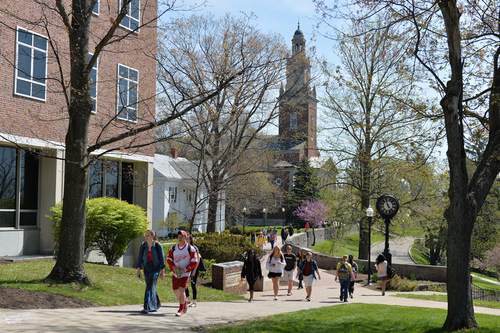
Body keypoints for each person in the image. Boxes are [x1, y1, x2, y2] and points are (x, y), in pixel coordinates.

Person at [167, 230, 198, 316]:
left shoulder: (190, 248)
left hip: (185, 273)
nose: (180, 239)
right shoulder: (173, 248)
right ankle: (184, 302)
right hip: (175, 273)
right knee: (175, 291)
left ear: (186, 238)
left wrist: (185, 269)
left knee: (181, 290)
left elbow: (194, 261)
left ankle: (181, 309)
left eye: (182, 237)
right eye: (179, 237)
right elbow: (169, 258)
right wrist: (173, 267)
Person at [136, 229, 166, 314]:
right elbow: (139, 258)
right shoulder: (143, 245)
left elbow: (162, 259)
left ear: (152, 236)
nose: (146, 237)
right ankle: (156, 305)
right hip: (146, 267)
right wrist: (138, 270)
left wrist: (162, 271)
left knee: (149, 286)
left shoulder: (157, 245)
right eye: (145, 235)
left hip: (155, 268)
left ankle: (146, 307)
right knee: (151, 287)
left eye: (148, 235)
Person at [184, 234, 201, 308]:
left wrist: (194, 270)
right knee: (184, 285)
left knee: (193, 285)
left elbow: (198, 259)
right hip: (187, 269)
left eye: (187, 239)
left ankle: (194, 302)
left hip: (194, 269)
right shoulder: (185, 248)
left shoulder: (194, 248)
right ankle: (188, 299)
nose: (185, 240)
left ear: (190, 240)